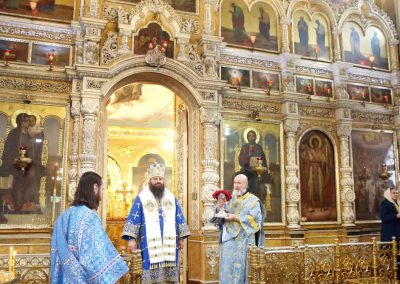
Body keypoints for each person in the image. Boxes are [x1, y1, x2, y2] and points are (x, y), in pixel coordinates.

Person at [51, 171, 128, 283]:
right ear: (95, 188)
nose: (102, 195)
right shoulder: (90, 217)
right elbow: (96, 258)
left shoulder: (64, 217)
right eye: (102, 190)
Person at [122, 162, 190, 284]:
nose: (158, 181)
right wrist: (131, 239)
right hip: (149, 244)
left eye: (160, 179)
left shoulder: (171, 197)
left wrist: (181, 238)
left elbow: (178, 216)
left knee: (170, 277)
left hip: (169, 244)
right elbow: (134, 217)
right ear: (150, 180)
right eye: (155, 179)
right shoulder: (142, 197)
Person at [219, 174, 264, 284]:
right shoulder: (229, 199)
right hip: (228, 240)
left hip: (244, 240)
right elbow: (220, 216)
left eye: (239, 183)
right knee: (227, 267)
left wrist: (236, 218)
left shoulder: (253, 201)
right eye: (235, 183)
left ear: (246, 184)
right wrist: (220, 207)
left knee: (241, 269)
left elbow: (256, 221)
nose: (236, 185)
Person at [0, 112, 33, 213]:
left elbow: (32, 150)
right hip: (14, 165)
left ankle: (23, 204)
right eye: (26, 121)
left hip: (26, 165)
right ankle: (16, 206)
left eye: (29, 121)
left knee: (27, 185)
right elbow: (8, 150)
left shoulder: (29, 135)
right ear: (20, 122)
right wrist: (14, 159)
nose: (29, 123)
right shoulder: (14, 133)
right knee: (16, 185)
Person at [238, 130, 271, 204]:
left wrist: (261, 167)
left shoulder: (259, 148)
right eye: (249, 136)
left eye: (253, 136)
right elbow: (240, 159)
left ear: (255, 137)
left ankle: (255, 203)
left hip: (256, 171)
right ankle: (243, 202)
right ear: (247, 137)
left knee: (256, 183)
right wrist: (247, 159)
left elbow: (263, 160)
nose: (251, 137)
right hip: (246, 170)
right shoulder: (244, 147)